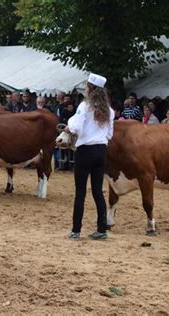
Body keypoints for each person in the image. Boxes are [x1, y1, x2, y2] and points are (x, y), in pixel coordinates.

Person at [65, 73, 115, 241]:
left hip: (85, 150)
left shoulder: (84, 106)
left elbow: (76, 127)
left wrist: (69, 127)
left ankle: (76, 230)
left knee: (80, 191)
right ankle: (102, 229)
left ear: (90, 88)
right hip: (101, 150)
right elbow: (109, 134)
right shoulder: (109, 110)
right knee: (97, 191)